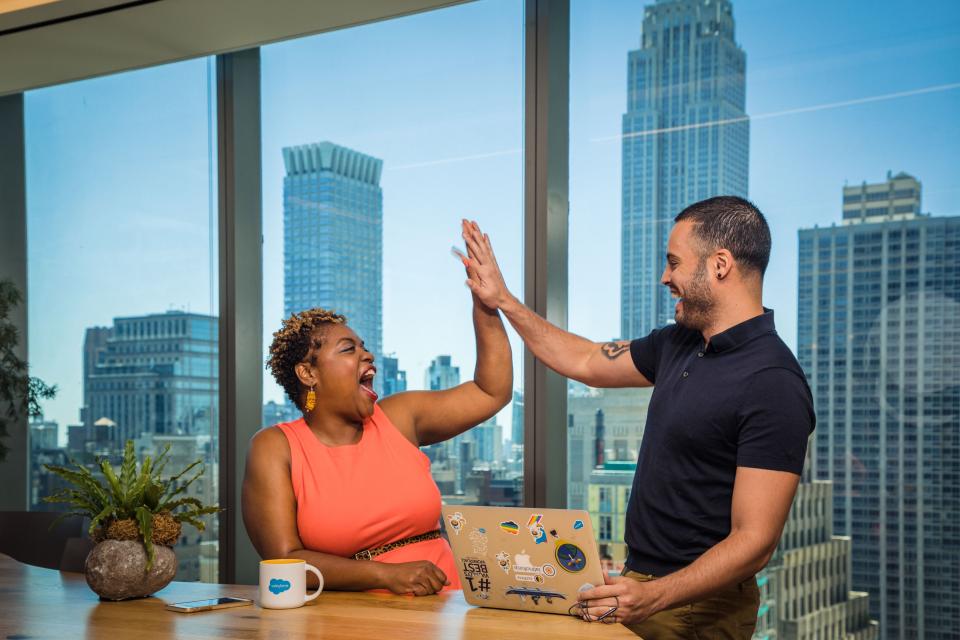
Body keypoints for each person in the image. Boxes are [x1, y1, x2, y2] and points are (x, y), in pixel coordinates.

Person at [458, 196, 814, 639]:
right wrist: (504, 300)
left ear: (720, 264)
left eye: (674, 263)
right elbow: (586, 359)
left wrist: (656, 595)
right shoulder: (680, 343)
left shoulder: (773, 381)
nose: (665, 277)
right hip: (639, 585)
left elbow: (754, 542)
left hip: (697, 606)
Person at [242, 242, 512, 596]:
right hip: (350, 622)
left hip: (446, 607)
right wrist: (385, 575)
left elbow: (491, 391)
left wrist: (486, 304)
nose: (367, 354)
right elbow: (283, 559)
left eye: (363, 345)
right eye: (348, 349)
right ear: (308, 373)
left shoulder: (399, 417)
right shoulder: (275, 447)